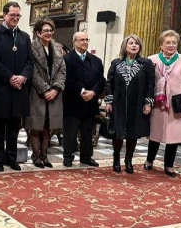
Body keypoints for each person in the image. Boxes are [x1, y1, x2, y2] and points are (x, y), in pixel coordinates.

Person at [0, 1, 33, 171]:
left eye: (18, 15)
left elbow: (29, 61)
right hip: (1, 88)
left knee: (14, 127)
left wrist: (22, 77)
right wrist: (10, 77)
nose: (15, 18)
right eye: (12, 15)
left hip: (20, 88)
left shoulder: (24, 37)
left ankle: (11, 158)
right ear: (5, 14)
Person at [145, 30, 181, 177]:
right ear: (161, 44)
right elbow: (148, 82)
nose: (171, 45)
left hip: (177, 105)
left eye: (174, 42)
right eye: (168, 42)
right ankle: (149, 160)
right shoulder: (152, 59)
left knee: (173, 138)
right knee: (155, 135)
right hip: (157, 103)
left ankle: (169, 165)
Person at [104, 34, 154, 174]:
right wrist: (108, 101)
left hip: (137, 103)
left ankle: (128, 160)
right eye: (131, 43)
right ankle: (116, 160)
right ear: (125, 46)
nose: (134, 45)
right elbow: (109, 83)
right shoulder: (116, 63)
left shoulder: (146, 63)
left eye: (136, 43)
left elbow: (151, 84)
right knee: (117, 133)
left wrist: (148, 103)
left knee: (133, 133)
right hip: (118, 103)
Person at [24, 19, 65, 168]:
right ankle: (35, 157)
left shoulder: (58, 48)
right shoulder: (31, 48)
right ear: (38, 33)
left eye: (51, 30)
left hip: (55, 93)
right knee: (36, 126)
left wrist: (55, 88)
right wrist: (46, 89)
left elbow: (62, 71)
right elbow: (32, 71)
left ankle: (44, 156)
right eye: (45, 30)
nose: (49, 33)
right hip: (37, 93)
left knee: (48, 126)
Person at [62, 31, 105, 167]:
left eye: (86, 40)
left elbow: (101, 80)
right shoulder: (66, 59)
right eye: (81, 40)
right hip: (72, 102)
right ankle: (68, 157)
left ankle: (86, 157)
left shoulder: (96, 61)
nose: (85, 42)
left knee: (87, 132)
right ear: (74, 42)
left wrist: (93, 92)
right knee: (70, 132)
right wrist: (81, 91)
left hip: (90, 103)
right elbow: (66, 79)